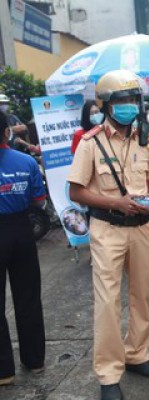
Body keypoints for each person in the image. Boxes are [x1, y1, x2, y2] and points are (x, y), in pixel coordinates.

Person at [67, 70, 149, 400]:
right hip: (107, 229)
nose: (129, 105)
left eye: (133, 99)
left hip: (143, 228)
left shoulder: (145, 139)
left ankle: (137, 355)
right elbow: (76, 192)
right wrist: (117, 203)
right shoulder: (91, 142)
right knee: (108, 302)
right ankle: (109, 375)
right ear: (106, 104)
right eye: (121, 100)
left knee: (142, 295)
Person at [0, 111, 47, 387]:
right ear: (7, 132)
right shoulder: (26, 162)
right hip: (22, 231)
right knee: (28, 296)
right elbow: (38, 200)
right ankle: (35, 360)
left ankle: (4, 371)